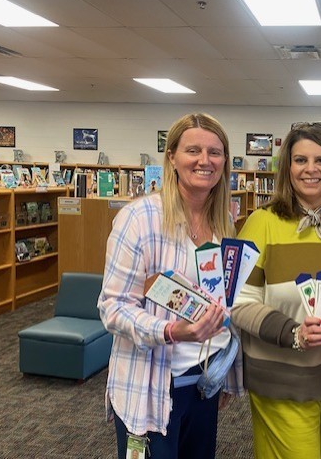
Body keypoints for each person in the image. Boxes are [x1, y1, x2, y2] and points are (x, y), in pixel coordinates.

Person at [98, 112, 241, 459]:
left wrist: (225, 375)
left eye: (215, 152)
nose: (205, 161)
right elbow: (113, 308)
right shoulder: (139, 219)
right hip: (151, 387)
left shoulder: (224, 223)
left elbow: (224, 304)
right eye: (193, 150)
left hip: (204, 382)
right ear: (172, 157)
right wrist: (172, 330)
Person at [231, 122, 321, 459]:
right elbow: (238, 302)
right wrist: (294, 333)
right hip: (281, 377)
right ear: (287, 168)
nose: (311, 169)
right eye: (300, 160)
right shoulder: (260, 223)